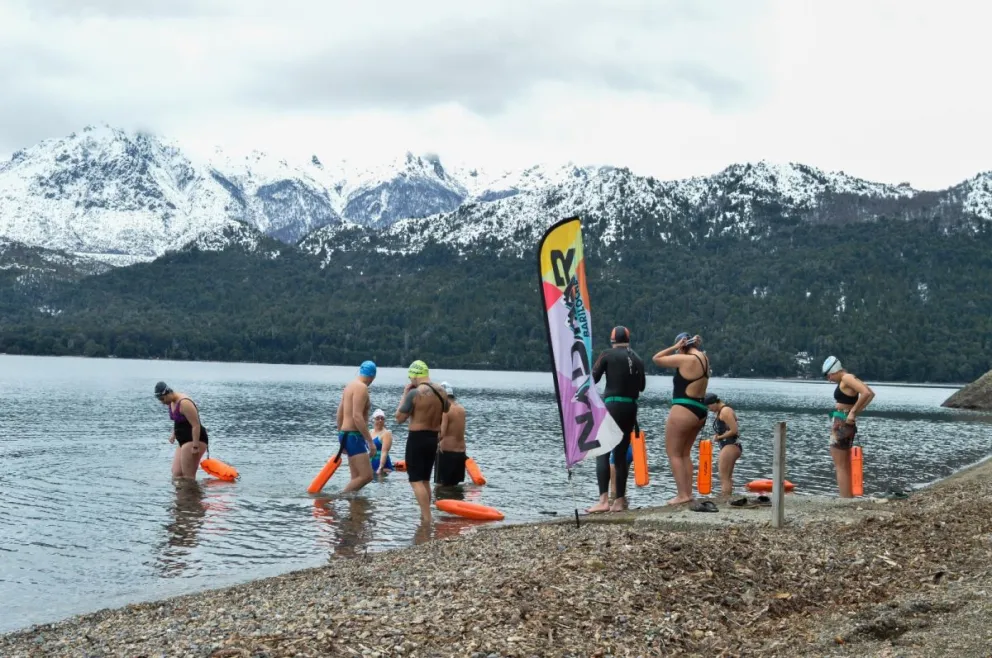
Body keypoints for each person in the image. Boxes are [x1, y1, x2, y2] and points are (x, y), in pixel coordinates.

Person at [588, 325, 646, 513]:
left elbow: (593, 378)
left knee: (602, 451)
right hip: (630, 408)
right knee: (620, 455)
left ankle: (603, 500)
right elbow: (642, 386)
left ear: (612, 339)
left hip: (612, 405)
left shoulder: (607, 354)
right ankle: (619, 502)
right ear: (628, 339)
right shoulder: (637, 358)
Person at [653, 333, 711, 506]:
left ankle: (682, 495)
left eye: (679, 348)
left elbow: (656, 358)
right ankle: (688, 493)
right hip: (700, 410)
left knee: (673, 453)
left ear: (682, 345)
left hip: (683, 409)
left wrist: (674, 347)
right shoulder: (704, 359)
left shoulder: (687, 360)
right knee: (685, 453)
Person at [395, 360, 449, 524]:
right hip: (433, 438)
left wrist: (405, 393)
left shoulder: (414, 393)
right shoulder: (441, 391)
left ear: (414, 376)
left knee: (415, 480)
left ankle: (427, 518)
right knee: (425, 479)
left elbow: (399, 418)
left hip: (417, 438)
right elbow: (446, 409)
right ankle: (425, 515)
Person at [823, 356, 875, 498]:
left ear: (834, 371)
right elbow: (870, 393)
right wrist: (855, 412)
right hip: (844, 420)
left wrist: (852, 412)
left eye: (829, 376)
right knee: (844, 463)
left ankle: (844, 499)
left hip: (842, 421)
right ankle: (848, 497)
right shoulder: (850, 378)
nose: (829, 379)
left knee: (840, 464)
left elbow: (867, 393)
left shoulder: (846, 378)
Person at [334, 360, 378, 493]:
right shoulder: (362, 388)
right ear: (372, 376)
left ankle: (355, 510)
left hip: (346, 435)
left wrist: (340, 436)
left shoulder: (349, 386)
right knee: (366, 476)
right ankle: (337, 498)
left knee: (356, 478)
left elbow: (339, 412)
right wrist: (370, 442)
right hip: (354, 436)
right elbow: (357, 416)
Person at [155, 381, 208, 479]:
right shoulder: (171, 402)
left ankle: (193, 494)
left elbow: (196, 425)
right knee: (176, 473)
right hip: (183, 440)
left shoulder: (184, 402)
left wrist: (195, 446)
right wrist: (174, 434)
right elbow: (179, 420)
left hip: (194, 440)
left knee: (188, 477)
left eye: (163, 399)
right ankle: (181, 494)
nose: (163, 402)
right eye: (160, 400)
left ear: (168, 392)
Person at [704, 393, 742, 497]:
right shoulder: (721, 411)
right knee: (727, 476)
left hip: (731, 446)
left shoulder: (725, 411)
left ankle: (725, 499)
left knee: (724, 476)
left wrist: (719, 438)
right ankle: (728, 497)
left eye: (708, 406)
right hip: (729, 446)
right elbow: (725, 428)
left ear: (714, 403)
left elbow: (734, 430)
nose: (709, 409)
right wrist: (718, 435)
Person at [435, 382, 467, 487]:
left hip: (446, 453)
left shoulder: (446, 411)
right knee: (455, 487)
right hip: (461, 452)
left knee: (441, 487)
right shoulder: (462, 409)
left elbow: (442, 434)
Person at [370, 409, 394, 475]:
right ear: (373, 420)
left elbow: (384, 452)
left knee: (381, 484)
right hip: (371, 464)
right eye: (377, 418)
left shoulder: (386, 433)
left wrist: (380, 467)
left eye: (382, 418)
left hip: (383, 466)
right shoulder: (370, 432)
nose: (380, 420)